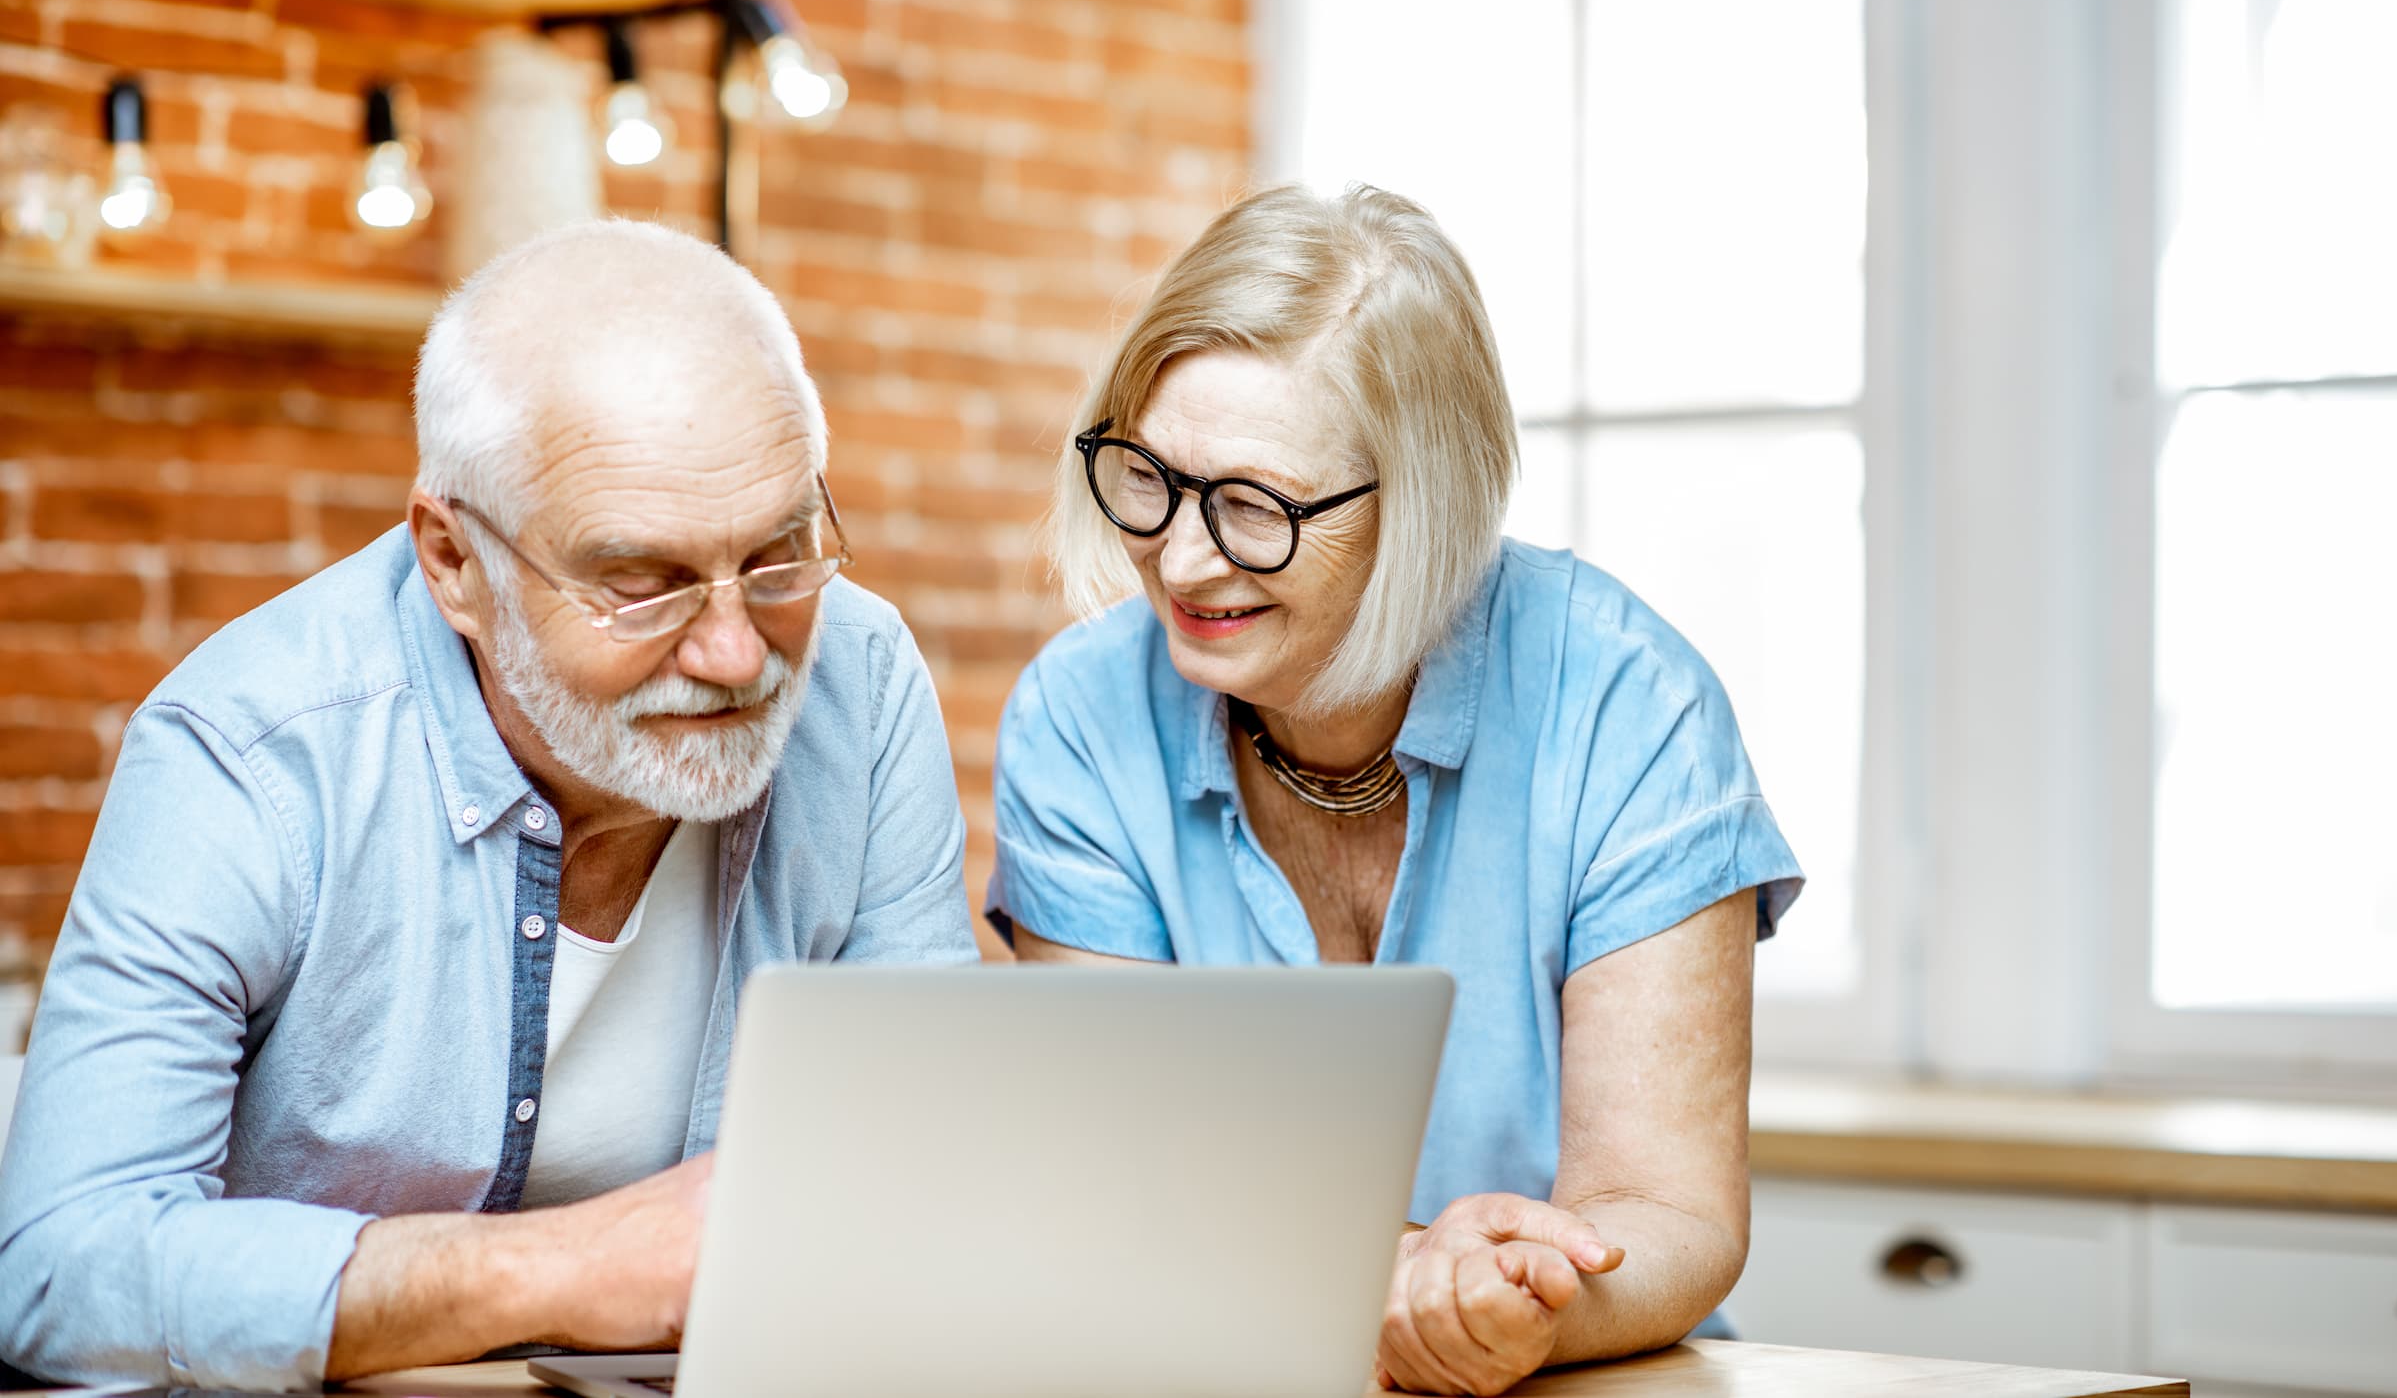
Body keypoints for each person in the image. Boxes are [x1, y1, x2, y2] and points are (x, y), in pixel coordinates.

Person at [0, 219, 976, 1390]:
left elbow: (918, 1175)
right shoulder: (252, 751)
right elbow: (59, 1269)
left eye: (777, 555)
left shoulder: (857, 682)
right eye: (640, 583)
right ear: (456, 562)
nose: (732, 651)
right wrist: (561, 1269)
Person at [986, 184, 1804, 1396]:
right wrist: (1398, 1273)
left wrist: (1508, 1304)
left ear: (1420, 504)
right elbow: (1120, 1183)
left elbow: (1668, 1211)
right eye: (1150, 477)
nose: (1181, 555)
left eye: (1256, 506)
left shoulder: (1635, 706)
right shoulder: (1080, 718)